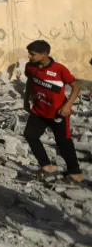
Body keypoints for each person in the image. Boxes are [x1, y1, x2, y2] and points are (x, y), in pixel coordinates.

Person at [22, 40, 83, 185]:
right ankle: (47, 167)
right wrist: (26, 100)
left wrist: (67, 106)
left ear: (44, 54)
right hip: (39, 110)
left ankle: (76, 174)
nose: (29, 56)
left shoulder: (59, 69)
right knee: (30, 135)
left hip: (58, 113)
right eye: (29, 53)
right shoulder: (30, 66)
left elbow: (76, 87)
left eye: (32, 54)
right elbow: (30, 81)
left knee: (63, 142)